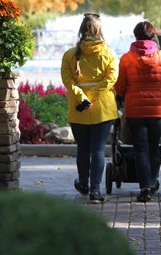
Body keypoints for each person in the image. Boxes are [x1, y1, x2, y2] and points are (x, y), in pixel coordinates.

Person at [114, 21, 161, 202]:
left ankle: (145, 188)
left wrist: (125, 93)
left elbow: (120, 86)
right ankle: (152, 181)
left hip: (135, 110)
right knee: (154, 148)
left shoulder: (126, 58)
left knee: (140, 148)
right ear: (152, 36)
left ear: (135, 37)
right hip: (158, 110)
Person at [61, 13, 118, 204]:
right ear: (99, 30)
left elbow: (68, 81)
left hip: (78, 109)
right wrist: (92, 97)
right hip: (103, 109)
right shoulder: (108, 53)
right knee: (98, 150)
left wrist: (82, 97)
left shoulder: (69, 55)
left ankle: (83, 184)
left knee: (83, 149)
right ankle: (95, 191)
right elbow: (111, 80)